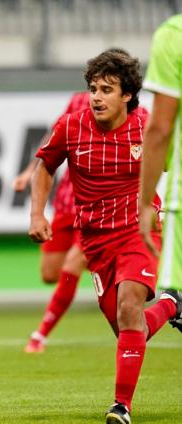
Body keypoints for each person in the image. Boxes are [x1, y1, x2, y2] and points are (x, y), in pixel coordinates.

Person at [29, 49, 181, 424]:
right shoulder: (71, 126)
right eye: (93, 88)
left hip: (139, 231)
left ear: (127, 94)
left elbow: (172, 162)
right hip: (95, 241)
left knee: (130, 306)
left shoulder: (148, 128)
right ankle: (171, 305)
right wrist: (36, 213)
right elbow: (45, 165)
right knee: (131, 328)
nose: (96, 96)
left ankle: (121, 405)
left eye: (107, 89)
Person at [17, 91, 89, 353]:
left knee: (73, 265)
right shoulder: (79, 101)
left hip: (94, 208)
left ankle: (40, 336)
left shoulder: (133, 114)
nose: (98, 94)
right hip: (67, 201)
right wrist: (28, 172)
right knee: (50, 274)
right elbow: (53, 138)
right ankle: (105, 263)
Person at [139, 13, 182, 330]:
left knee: (174, 294)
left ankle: (175, 302)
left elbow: (159, 130)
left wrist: (144, 203)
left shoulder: (174, 33)